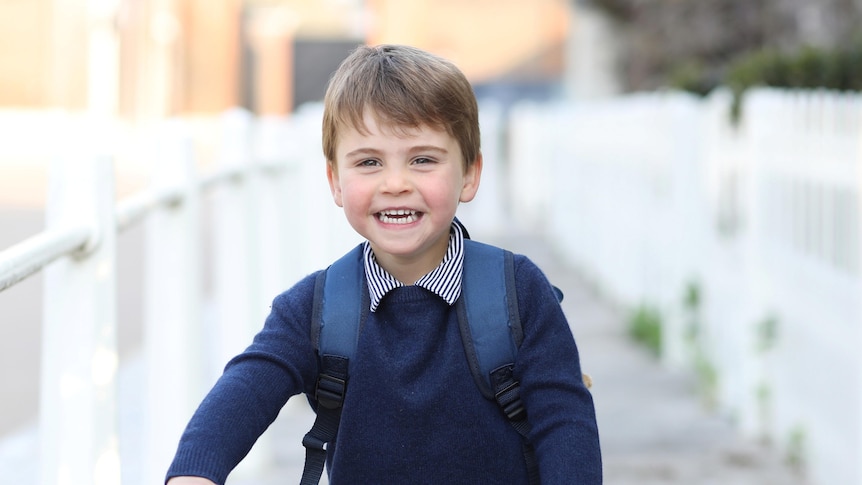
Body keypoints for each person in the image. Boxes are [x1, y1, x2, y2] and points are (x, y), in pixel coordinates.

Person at [166, 44, 602, 485]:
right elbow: (246, 388)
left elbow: (565, 421)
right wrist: (193, 473)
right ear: (336, 181)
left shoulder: (518, 292)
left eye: (423, 160)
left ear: (469, 174)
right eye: (369, 162)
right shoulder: (314, 309)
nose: (395, 184)